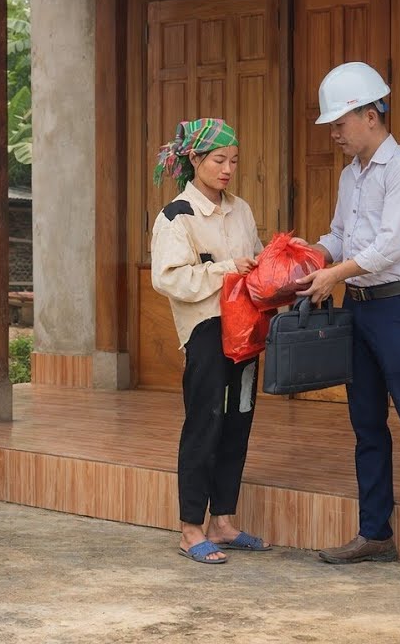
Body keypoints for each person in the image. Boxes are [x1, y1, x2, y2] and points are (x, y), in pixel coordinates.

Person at [294, 62, 400, 583]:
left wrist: (334, 273)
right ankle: (375, 533)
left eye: (340, 122)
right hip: (360, 306)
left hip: (398, 308)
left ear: (371, 115)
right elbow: (342, 235)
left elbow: (389, 246)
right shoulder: (351, 175)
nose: (335, 133)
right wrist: (306, 254)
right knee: (366, 423)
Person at [150, 118, 271, 565]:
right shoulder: (176, 216)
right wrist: (226, 270)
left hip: (246, 331)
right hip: (206, 332)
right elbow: (168, 279)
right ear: (194, 159)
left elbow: (252, 258)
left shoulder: (241, 209)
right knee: (204, 424)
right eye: (219, 160)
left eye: (233, 161)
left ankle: (222, 521)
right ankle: (190, 529)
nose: (227, 169)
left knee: (239, 421)